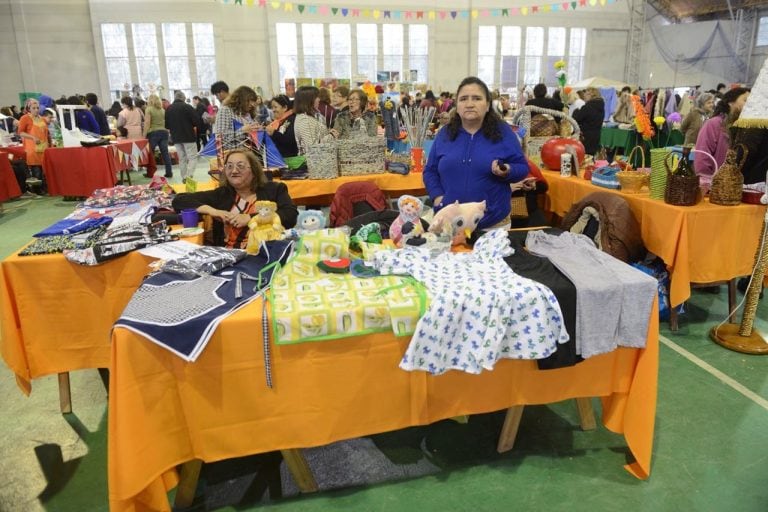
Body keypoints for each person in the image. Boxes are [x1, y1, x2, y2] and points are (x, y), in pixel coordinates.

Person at [423, 76, 529, 230]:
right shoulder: (445, 134)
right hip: (449, 224)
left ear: (487, 105)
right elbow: (430, 170)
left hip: (492, 224)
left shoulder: (503, 132)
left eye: (477, 98)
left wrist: (507, 170)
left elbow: (522, 167)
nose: (470, 104)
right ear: (457, 106)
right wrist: (438, 197)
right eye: (464, 99)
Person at [172, 149, 298, 248]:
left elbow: (290, 215)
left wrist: (250, 218)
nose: (234, 171)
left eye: (240, 166)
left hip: (268, 251)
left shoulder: (274, 190)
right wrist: (214, 212)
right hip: (230, 255)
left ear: (253, 170)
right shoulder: (222, 194)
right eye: (229, 166)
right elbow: (180, 200)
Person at [694, 87, 750, 180]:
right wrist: (709, 183)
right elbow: (702, 158)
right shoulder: (714, 124)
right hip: (716, 186)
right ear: (730, 102)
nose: (749, 104)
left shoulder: (747, 127)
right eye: (745, 100)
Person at [165, 90, 203, 183]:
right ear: (183, 98)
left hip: (176, 137)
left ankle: (183, 177)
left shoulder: (169, 109)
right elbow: (196, 121)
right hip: (188, 136)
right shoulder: (187, 107)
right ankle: (189, 176)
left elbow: (167, 125)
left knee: (181, 158)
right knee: (192, 157)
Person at [213, 85, 260, 150]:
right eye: (249, 100)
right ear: (240, 99)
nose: (252, 104)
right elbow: (220, 139)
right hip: (233, 156)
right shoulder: (225, 110)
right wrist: (242, 130)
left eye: (253, 101)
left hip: (250, 155)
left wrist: (258, 130)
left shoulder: (249, 113)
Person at [17, 98, 49, 192]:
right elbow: (20, 133)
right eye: (33, 108)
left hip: (44, 147)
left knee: (44, 170)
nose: (36, 110)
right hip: (32, 149)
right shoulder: (25, 118)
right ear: (28, 108)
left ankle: (44, 188)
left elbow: (46, 133)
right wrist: (33, 138)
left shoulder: (42, 118)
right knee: (36, 171)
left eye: (37, 108)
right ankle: (37, 190)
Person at [293, 86, 333, 155]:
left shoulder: (309, 116)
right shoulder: (304, 120)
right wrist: (331, 136)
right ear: (308, 100)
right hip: (312, 162)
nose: (319, 99)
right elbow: (312, 147)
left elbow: (315, 135)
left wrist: (328, 132)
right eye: (316, 97)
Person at [143, 94, 173, 179]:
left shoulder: (148, 109)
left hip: (153, 133)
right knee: (165, 153)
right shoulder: (162, 110)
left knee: (150, 154)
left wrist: (144, 135)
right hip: (164, 132)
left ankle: (150, 173)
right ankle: (169, 172)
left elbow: (147, 123)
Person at [265, 94, 298, 162]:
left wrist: (274, 133)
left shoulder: (291, 120)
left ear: (285, 107)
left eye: (275, 107)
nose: (273, 110)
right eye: (272, 107)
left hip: (290, 160)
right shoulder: (279, 121)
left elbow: (290, 142)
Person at [572, 87, 605, 156]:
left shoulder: (587, 107)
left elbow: (576, 119)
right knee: (591, 157)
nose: (584, 96)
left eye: (586, 94)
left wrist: (576, 111)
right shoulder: (601, 107)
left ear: (591, 95)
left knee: (584, 157)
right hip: (596, 136)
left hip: (585, 137)